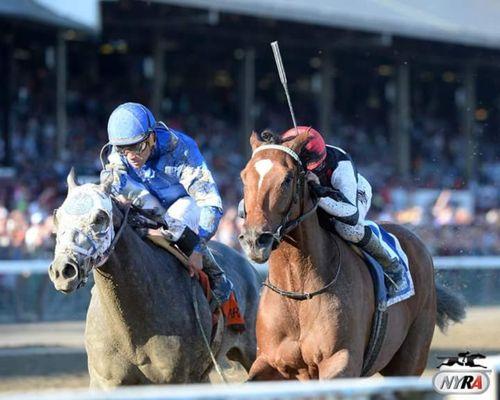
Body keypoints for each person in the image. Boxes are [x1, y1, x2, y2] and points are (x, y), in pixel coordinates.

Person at [102, 102, 238, 314]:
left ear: (151, 137)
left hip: (186, 203)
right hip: (151, 202)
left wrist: (198, 249)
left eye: (136, 147)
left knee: (173, 220)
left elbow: (211, 204)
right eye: (123, 150)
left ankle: (218, 278)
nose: (130, 157)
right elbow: (112, 181)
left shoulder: (181, 150)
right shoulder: (121, 149)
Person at [282, 126, 406, 291]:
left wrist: (320, 198)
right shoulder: (283, 157)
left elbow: (351, 214)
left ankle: (391, 265)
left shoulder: (341, 166)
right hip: (317, 193)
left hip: (349, 195)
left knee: (348, 229)